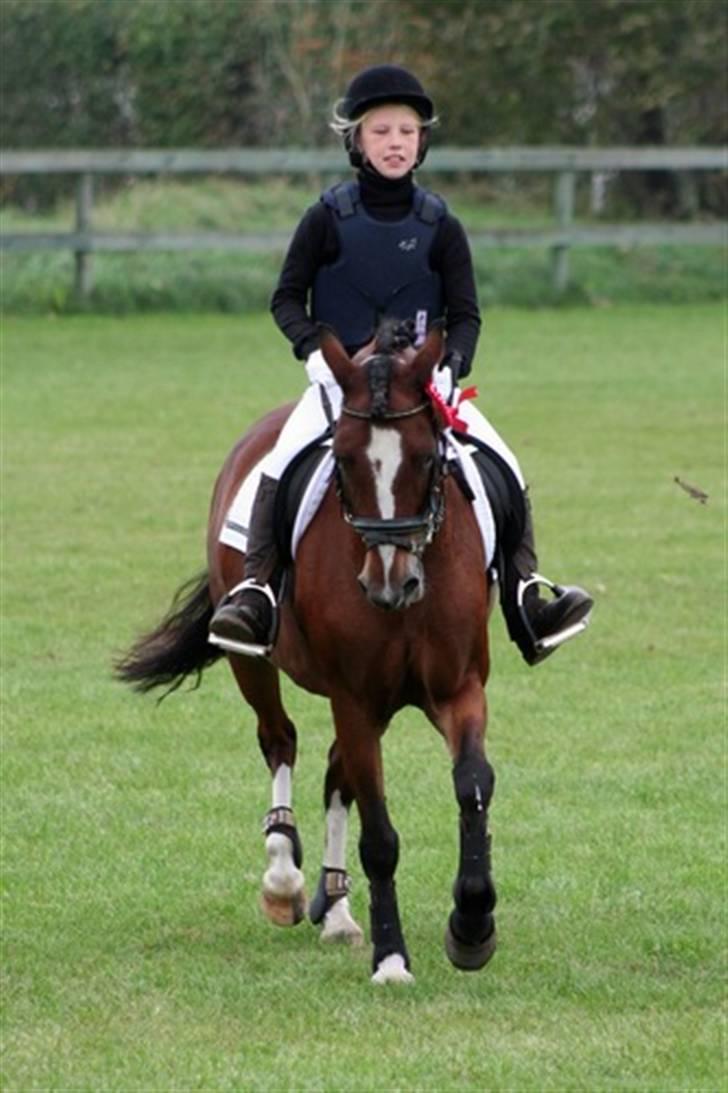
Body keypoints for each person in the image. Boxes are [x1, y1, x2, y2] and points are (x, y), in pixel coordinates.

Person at [209, 64, 592, 664]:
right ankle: (257, 593)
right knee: (281, 465)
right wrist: (312, 350)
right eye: (381, 130)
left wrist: (453, 364)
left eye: (407, 132)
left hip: (420, 385)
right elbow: (287, 297)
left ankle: (525, 597)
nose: (395, 142)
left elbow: (465, 313)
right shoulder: (325, 218)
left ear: (421, 143)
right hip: (345, 383)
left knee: (504, 467)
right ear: (356, 141)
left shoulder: (442, 225)